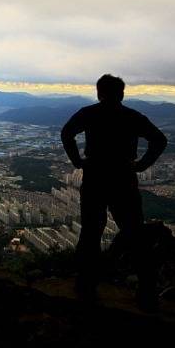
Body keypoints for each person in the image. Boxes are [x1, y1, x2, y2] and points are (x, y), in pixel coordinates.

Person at [60, 73, 167, 310]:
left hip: (95, 176)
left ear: (99, 93)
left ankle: (85, 285)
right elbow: (159, 140)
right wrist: (141, 165)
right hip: (123, 178)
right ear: (122, 94)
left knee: (90, 232)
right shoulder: (132, 116)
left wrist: (77, 160)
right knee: (134, 232)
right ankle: (147, 291)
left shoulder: (88, 113)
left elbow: (66, 133)